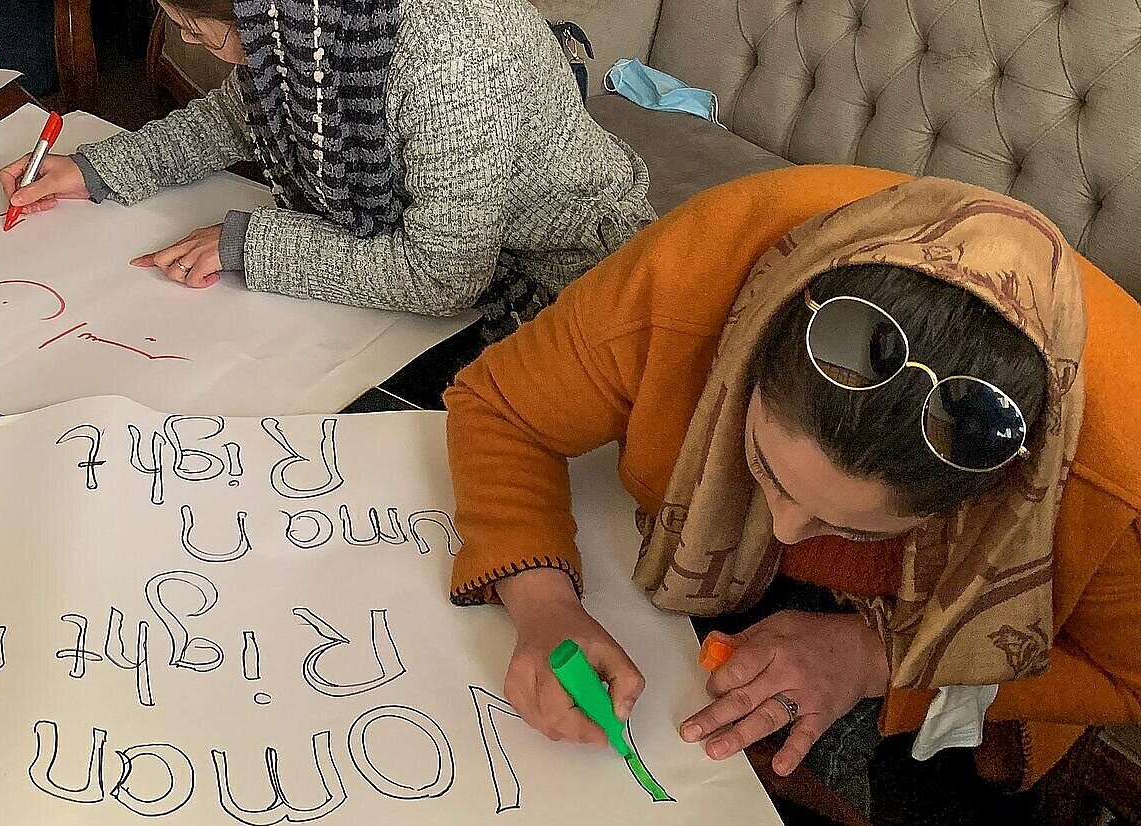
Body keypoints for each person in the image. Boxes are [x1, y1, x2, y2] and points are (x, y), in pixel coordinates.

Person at [444, 165, 1141, 823]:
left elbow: (1126, 677)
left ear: (983, 508)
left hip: (949, 649)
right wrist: (543, 606)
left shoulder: (1116, 475)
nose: (780, 530)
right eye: (765, 470)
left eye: (862, 528)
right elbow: (499, 407)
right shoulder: (688, 275)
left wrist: (872, 656)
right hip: (694, 548)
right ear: (746, 357)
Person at [0, 0, 653, 340]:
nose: (191, 43)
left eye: (203, 31)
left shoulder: (453, 57)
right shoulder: (320, 23)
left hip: (558, 278)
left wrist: (247, 243)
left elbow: (445, 274)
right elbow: (241, 111)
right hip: (430, 248)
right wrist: (104, 168)